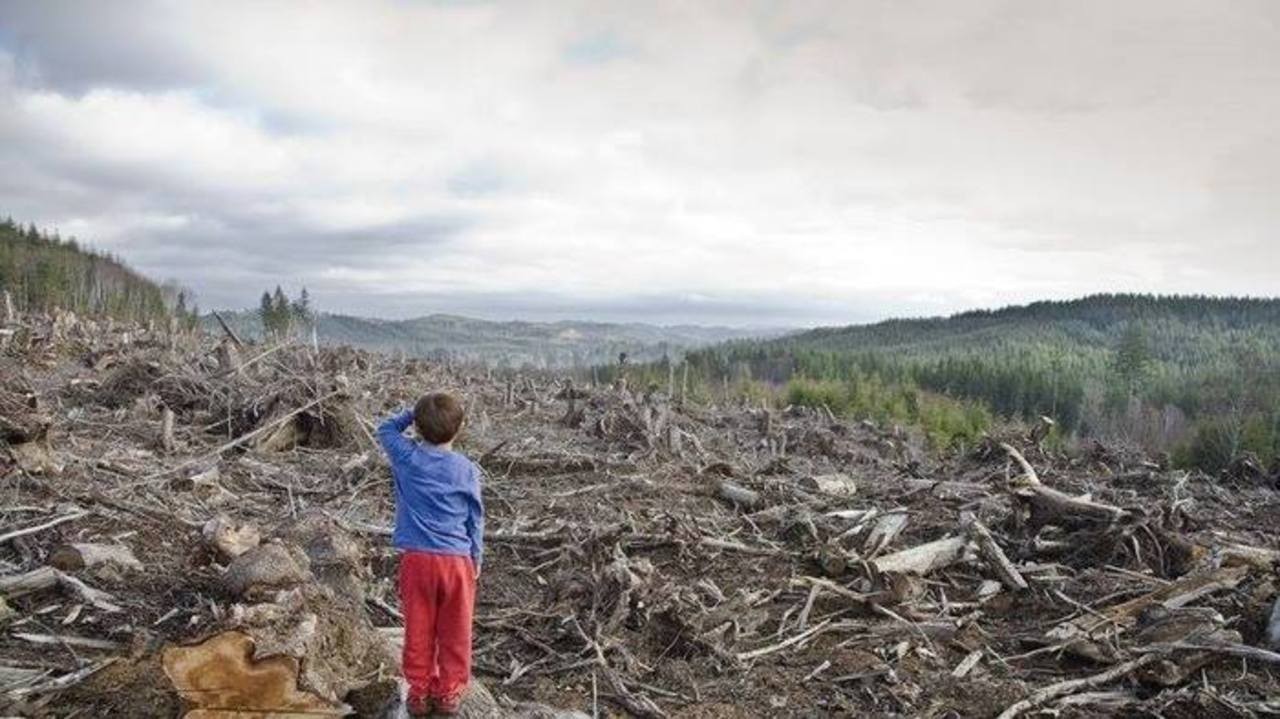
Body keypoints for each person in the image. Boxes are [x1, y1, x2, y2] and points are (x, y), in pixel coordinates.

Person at [377, 392, 484, 717]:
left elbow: (385, 429)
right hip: (456, 562)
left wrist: (415, 413)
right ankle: (449, 695)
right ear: (460, 429)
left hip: (418, 561)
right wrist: (476, 557)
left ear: (419, 429)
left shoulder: (407, 457)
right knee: (456, 632)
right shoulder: (465, 469)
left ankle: (419, 695)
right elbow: (474, 518)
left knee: (418, 630)